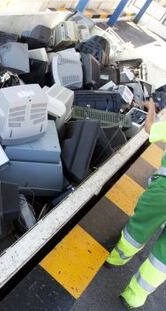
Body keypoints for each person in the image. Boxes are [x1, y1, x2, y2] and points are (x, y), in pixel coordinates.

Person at [106, 98, 166, 309]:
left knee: (138, 230)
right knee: (162, 259)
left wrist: (151, 109)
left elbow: (150, 129)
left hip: (164, 194)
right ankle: (133, 297)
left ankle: (116, 258)